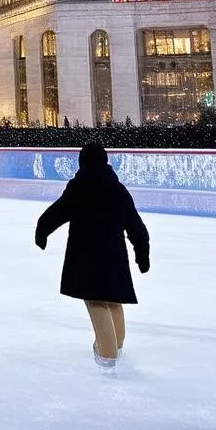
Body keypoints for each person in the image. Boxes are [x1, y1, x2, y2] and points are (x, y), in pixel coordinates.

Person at [35, 142, 150, 371]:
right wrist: (142, 254)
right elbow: (136, 225)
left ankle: (107, 355)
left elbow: (57, 212)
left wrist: (41, 231)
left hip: (87, 254)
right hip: (115, 254)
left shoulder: (80, 187)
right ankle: (116, 345)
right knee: (113, 298)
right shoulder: (118, 189)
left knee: (95, 300)